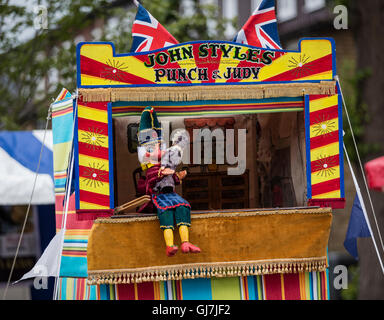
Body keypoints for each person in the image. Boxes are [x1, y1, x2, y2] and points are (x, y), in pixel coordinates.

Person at [136, 107, 201, 257]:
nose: (160, 151)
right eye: (155, 148)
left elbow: (171, 179)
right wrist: (161, 174)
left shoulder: (166, 165)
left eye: (160, 146)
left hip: (171, 195)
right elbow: (151, 182)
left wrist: (178, 176)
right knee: (166, 214)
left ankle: (185, 242)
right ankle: (170, 245)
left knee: (183, 206)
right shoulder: (151, 169)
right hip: (158, 197)